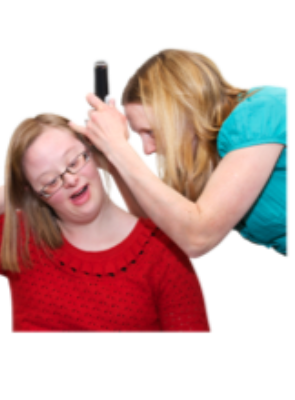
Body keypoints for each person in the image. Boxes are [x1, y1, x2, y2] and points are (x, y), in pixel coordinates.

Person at [0, 110, 213, 334]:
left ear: (97, 152)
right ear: (34, 192)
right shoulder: (23, 238)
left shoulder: (164, 251)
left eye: (75, 160)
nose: (69, 180)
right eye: (48, 179)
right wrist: (12, 188)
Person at [70, 46, 290, 260]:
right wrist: (112, 159)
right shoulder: (216, 156)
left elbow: (198, 238)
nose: (147, 150)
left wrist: (118, 146)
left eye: (151, 132)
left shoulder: (259, 113)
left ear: (182, 108)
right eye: (138, 137)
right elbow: (159, 227)